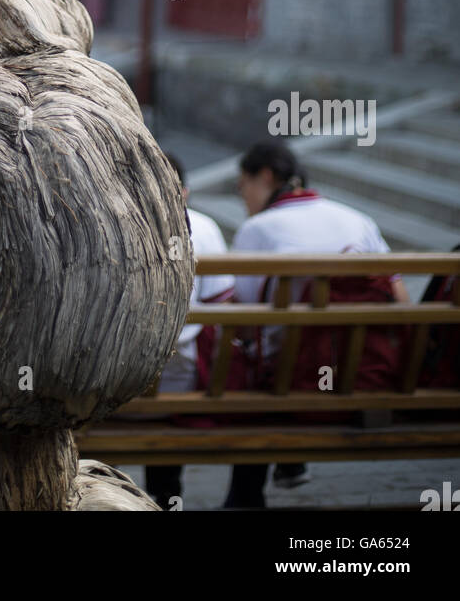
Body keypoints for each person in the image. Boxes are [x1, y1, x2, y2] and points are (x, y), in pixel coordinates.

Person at [223, 140, 408, 510]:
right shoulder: (358, 220)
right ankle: (279, 472)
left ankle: (244, 498)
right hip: (367, 377)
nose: (243, 198)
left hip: (291, 387)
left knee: (249, 360)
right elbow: (402, 303)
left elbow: (241, 325)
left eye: (243, 186)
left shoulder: (257, 229)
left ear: (266, 176)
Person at [146, 151, 234, 510]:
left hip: (111, 395)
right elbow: (224, 307)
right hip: (182, 393)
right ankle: (167, 497)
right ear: (183, 191)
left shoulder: (106, 223)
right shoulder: (205, 226)